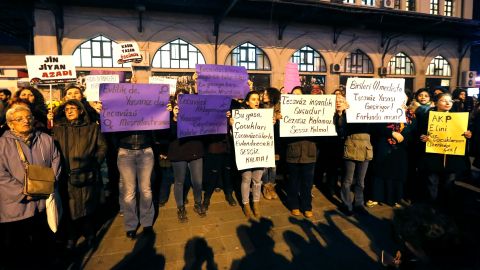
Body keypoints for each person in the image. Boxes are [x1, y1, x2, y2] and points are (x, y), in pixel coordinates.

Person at [0, 105, 61, 268]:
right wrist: (23, 193)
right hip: (16, 206)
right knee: (18, 249)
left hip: (42, 203)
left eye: (28, 117)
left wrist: (48, 184)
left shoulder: (45, 139)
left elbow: (55, 160)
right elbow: (1, 175)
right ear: (10, 124)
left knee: (43, 244)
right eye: (19, 119)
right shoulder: (2, 144)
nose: (25, 121)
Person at [51, 99, 107, 249]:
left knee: (87, 205)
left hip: (86, 175)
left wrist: (95, 163)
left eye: (73, 108)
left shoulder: (92, 128)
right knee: (69, 208)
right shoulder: (58, 129)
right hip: (65, 176)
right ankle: (71, 236)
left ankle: (89, 233)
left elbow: (102, 147)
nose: (69, 111)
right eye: (66, 109)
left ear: (81, 111)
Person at [419, 93, 472, 206]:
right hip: (433, 155)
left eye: (450, 101)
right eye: (443, 100)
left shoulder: (458, 118)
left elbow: (465, 134)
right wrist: (423, 137)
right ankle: (431, 206)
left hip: (452, 156)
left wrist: (468, 134)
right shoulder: (427, 117)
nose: (448, 103)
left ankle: (446, 206)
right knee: (432, 182)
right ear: (436, 102)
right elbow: (420, 133)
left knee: (449, 182)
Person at [229, 90, 269, 218]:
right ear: (247, 102)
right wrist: (232, 126)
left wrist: (273, 123)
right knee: (246, 179)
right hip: (246, 153)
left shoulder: (265, 115)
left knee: (257, 180)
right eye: (253, 99)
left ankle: (255, 203)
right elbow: (233, 136)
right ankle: (246, 204)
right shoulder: (240, 116)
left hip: (260, 153)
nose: (257, 101)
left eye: (258, 99)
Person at [114, 128, 156, 238]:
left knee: (145, 189)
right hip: (125, 151)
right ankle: (131, 225)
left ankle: (147, 222)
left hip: (145, 150)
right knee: (129, 191)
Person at [168, 102, 206, 222]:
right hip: (178, 152)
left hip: (195, 150)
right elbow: (169, 135)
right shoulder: (169, 117)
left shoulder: (196, 113)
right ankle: (180, 207)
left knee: (198, 181)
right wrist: (174, 118)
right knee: (179, 182)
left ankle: (198, 203)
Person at [335, 96, 373, 216]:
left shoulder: (368, 112)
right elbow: (341, 131)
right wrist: (341, 114)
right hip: (351, 147)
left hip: (365, 148)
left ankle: (359, 203)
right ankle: (347, 204)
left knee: (361, 181)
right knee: (347, 180)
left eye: (342, 100)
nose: (340, 103)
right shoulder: (344, 115)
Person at [284, 89, 317, 218]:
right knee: (293, 182)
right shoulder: (285, 111)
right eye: (294, 94)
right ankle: (294, 205)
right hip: (293, 153)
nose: (296, 96)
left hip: (309, 153)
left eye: (299, 94)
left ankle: (307, 206)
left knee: (307, 184)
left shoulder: (313, 110)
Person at [261, 87, 281, 200]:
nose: (263, 96)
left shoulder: (278, 109)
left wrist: (277, 119)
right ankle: (266, 187)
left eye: (266, 94)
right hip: (263, 141)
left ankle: (272, 186)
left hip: (275, 142)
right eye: (263, 93)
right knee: (264, 166)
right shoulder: (259, 107)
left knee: (273, 166)